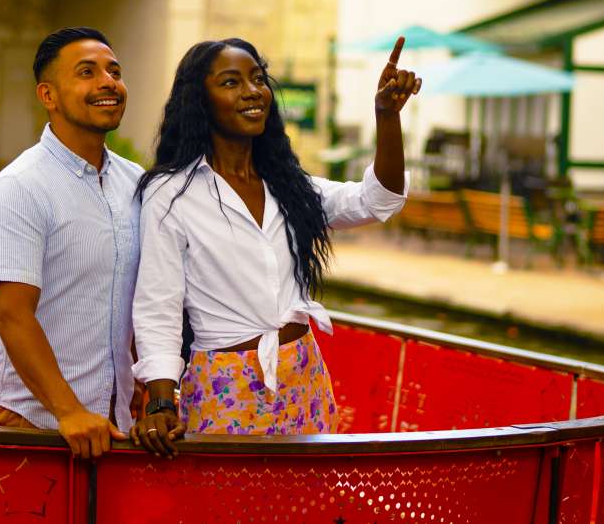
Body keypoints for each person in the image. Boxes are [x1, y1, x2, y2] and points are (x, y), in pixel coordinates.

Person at [130, 36, 420, 457]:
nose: (252, 91)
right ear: (200, 101)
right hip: (224, 388)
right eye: (231, 82)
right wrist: (159, 400)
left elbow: (376, 202)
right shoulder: (170, 193)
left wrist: (386, 117)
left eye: (258, 78)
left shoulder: (287, 185)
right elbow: (158, 305)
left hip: (302, 375)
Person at [0, 27, 143, 459]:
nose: (108, 82)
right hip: (30, 420)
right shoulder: (20, 187)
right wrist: (68, 411)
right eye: (86, 72)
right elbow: (12, 315)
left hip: (112, 423)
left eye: (114, 71)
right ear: (48, 96)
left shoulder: (137, 184)